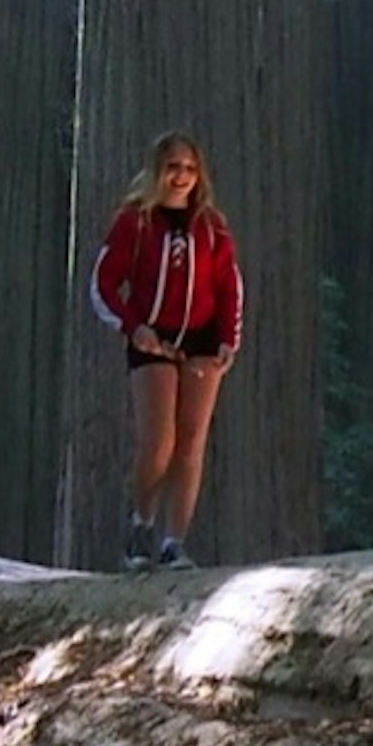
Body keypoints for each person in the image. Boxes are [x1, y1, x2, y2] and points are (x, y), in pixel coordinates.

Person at [85, 130, 241, 571]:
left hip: (203, 340)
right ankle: (141, 526)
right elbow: (103, 283)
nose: (181, 177)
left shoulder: (212, 227)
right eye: (173, 167)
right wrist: (133, 328)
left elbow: (229, 285)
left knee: (191, 443)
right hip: (153, 337)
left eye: (190, 169)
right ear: (157, 170)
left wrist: (229, 337)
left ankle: (174, 543)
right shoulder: (134, 221)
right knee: (159, 441)